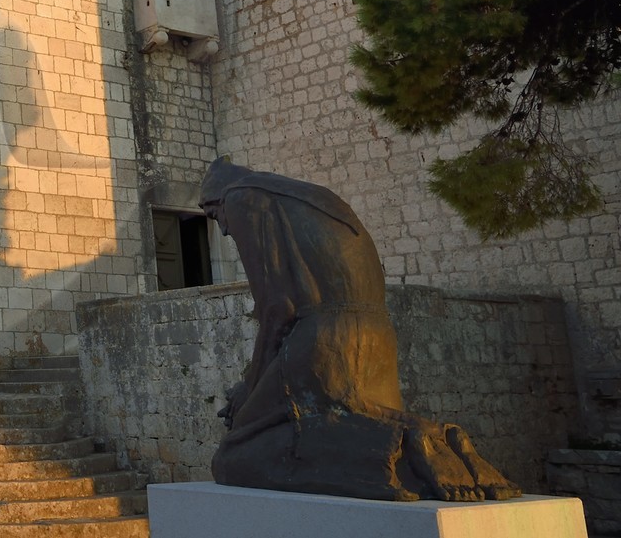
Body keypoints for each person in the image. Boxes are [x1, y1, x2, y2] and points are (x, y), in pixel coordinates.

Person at [199, 159, 519, 502]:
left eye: (214, 217)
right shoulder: (300, 195)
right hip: (377, 332)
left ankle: (386, 448)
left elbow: (278, 307)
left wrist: (251, 386)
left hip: (324, 336)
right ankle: (438, 438)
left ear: (219, 198)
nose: (224, 231)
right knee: (360, 413)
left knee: (233, 454)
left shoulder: (242, 197)